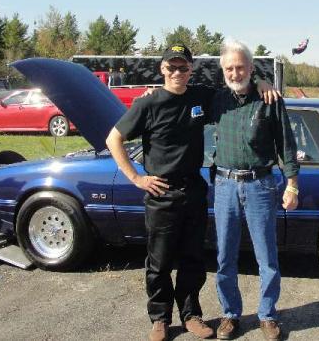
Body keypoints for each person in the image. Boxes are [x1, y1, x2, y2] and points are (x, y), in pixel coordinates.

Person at [105, 44, 278, 341]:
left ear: (191, 70)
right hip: (161, 193)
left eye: (183, 67)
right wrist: (136, 178)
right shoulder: (148, 103)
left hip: (194, 190)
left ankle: (190, 315)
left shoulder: (201, 96)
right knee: (159, 262)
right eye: (171, 67)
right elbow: (113, 139)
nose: (177, 73)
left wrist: (262, 81)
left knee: (192, 258)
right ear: (162, 69)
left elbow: (238, 87)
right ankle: (160, 318)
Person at [211, 40, 299, 341]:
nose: (235, 73)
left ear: (251, 68)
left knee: (267, 256)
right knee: (224, 256)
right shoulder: (217, 99)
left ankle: (268, 315)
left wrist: (292, 184)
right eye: (229, 68)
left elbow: (287, 144)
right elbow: (179, 93)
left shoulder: (270, 100)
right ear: (223, 70)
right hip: (224, 186)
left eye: (240, 67)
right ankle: (230, 314)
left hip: (260, 185)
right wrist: (152, 91)